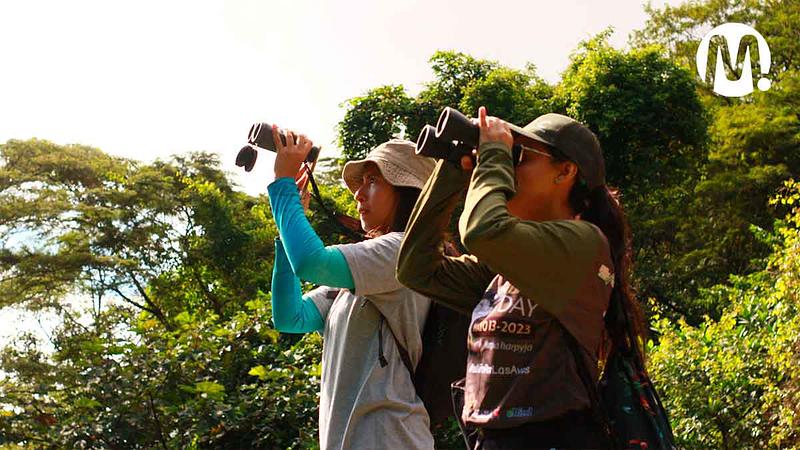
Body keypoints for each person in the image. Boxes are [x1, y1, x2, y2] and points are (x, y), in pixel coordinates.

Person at [397, 107, 646, 449]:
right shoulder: (512, 266)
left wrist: (493, 156)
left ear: (565, 171)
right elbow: (417, 269)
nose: (509, 167)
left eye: (520, 156)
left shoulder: (584, 244)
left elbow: (481, 231)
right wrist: (452, 172)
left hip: (554, 438)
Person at [266, 125, 436, 450]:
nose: (358, 193)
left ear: (406, 192)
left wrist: (283, 185)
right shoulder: (360, 277)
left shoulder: (402, 252)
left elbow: (311, 262)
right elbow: (289, 317)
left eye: (373, 181)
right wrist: (285, 228)